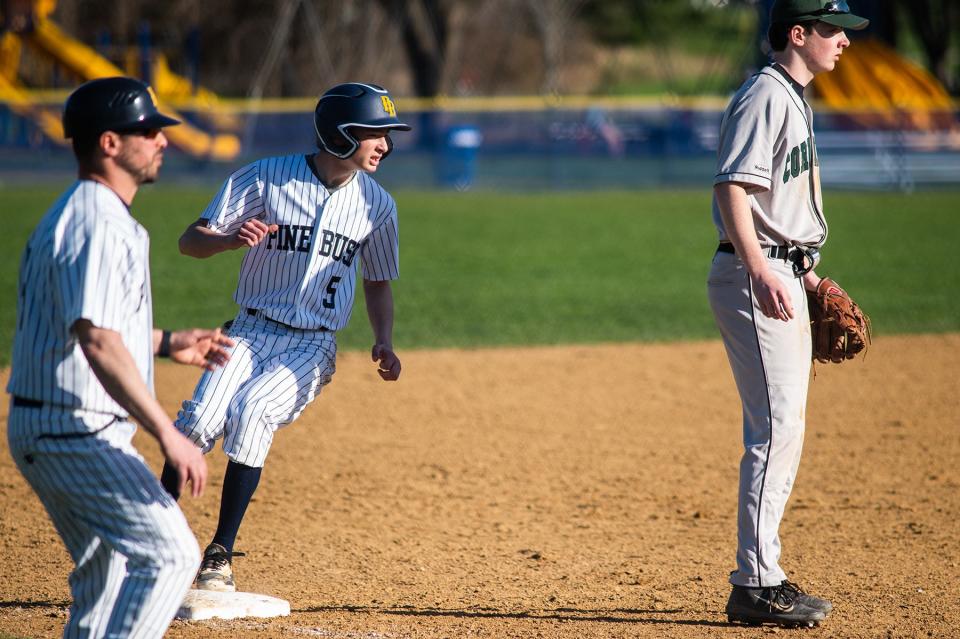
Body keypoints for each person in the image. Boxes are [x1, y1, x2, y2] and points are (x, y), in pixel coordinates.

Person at [6, 76, 234, 638]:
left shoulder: (87, 214)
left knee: (105, 584)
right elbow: (98, 341)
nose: (161, 139)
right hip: (73, 431)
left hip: (55, 425)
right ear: (109, 143)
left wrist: (168, 340)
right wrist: (168, 433)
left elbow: (92, 323)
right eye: (148, 129)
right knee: (172, 554)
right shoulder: (98, 224)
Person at [160, 82, 410, 592]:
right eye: (374, 133)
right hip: (249, 329)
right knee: (199, 421)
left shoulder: (377, 205)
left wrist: (383, 338)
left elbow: (379, 279)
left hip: (311, 345)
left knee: (253, 411)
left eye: (388, 135)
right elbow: (191, 241)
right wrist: (228, 239)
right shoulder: (267, 177)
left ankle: (219, 555)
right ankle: (148, 538)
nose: (385, 145)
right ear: (340, 132)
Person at [706, 0, 868, 628]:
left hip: (781, 271)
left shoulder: (791, 97)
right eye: (831, 31)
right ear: (797, 34)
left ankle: (764, 574)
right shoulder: (765, 95)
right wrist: (761, 268)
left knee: (784, 428)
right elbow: (731, 189)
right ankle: (755, 584)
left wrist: (806, 272)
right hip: (758, 275)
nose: (843, 43)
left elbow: (777, 206)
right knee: (774, 432)